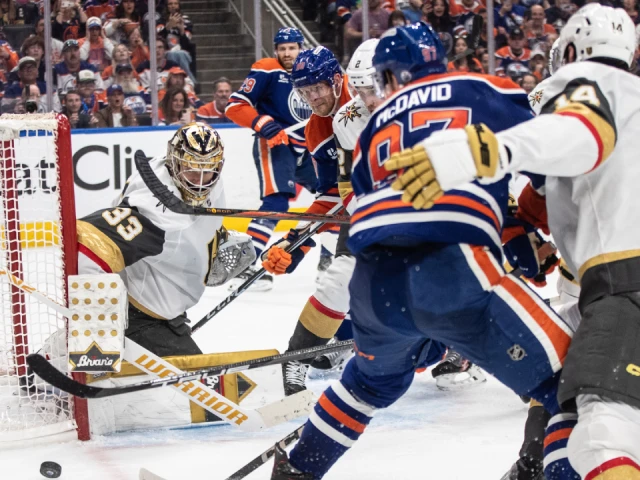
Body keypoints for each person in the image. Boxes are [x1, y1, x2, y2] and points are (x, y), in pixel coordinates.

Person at [270, 22, 572, 480]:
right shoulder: (477, 87)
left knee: (364, 388)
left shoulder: (371, 130)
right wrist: (524, 228)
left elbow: (364, 206)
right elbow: (542, 154)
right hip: (453, 267)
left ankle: (296, 471)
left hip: (374, 285)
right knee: (571, 381)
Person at [389, 6, 640, 479]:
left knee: (603, 436)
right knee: (562, 377)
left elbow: (583, 133)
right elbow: (544, 200)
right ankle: (533, 465)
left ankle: (536, 466)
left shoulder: (588, 84)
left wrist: (485, 150)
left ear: (571, 51)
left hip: (623, 287)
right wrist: (524, 232)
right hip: (604, 286)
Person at [76, 122, 255, 356]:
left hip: (167, 312)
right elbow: (87, 243)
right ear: (174, 162)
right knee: (200, 379)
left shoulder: (176, 169)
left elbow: (194, 223)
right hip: (141, 318)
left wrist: (210, 247)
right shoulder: (153, 215)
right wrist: (97, 339)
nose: (200, 182)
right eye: (191, 169)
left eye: (208, 170)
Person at [225, 27, 316, 292]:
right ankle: (244, 267)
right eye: (282, 48)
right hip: (277, 144)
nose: (287, 53)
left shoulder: (310, 72)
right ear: (276, 50)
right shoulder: (267, 69)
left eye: (292, 48)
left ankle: (328, 261)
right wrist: (262, 123)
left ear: (301, 48)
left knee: (333, 197)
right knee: (276, 202)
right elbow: (235, 105)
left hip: (307, 148)